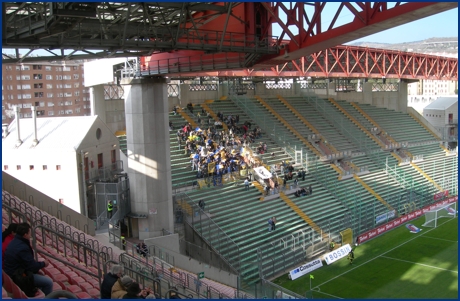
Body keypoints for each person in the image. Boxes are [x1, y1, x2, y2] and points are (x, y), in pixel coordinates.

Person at [3, 222, 53, 296]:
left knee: (40, 275)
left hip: (12, 272)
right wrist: (44, 263)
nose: (31, 235)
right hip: (18, 276)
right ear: (25, 235)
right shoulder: (22, 247)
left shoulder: (14, 241)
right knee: (48, 282)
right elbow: (31, 266)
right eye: (30, 233)